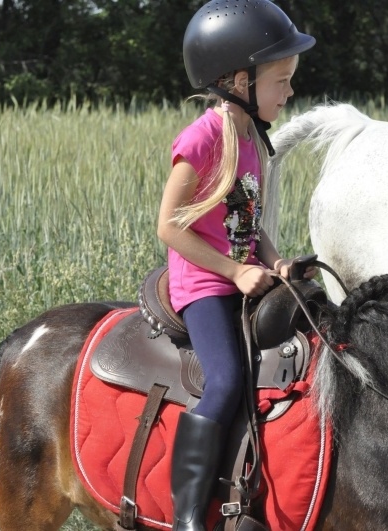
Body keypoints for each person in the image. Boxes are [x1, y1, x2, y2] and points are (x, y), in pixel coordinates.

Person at [156, 1, 316, 529]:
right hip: (203, 284)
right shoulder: (202, 139)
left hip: (240, 275)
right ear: (238, 81)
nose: (288, 93)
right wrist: (234, 271)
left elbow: (248, 222)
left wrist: (274, 260)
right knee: (225, 380)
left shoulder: (252, 138)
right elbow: (171, 228)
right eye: (280, 81)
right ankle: (185, 516)